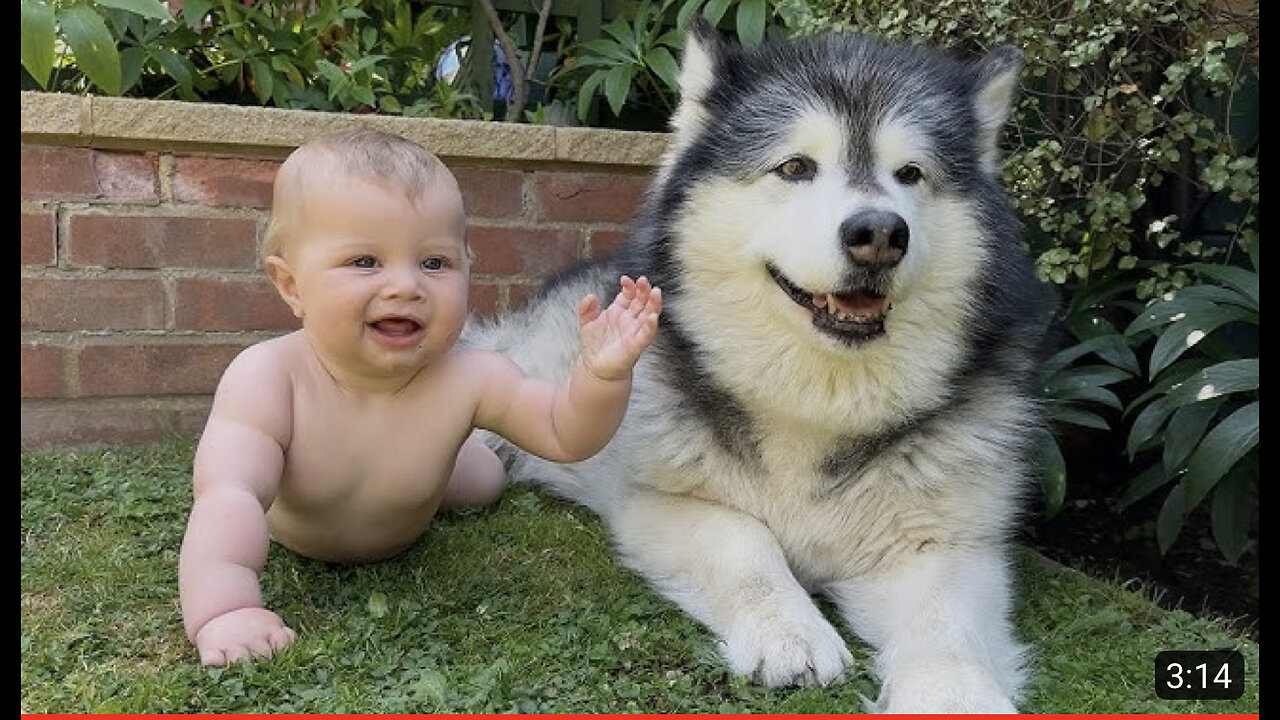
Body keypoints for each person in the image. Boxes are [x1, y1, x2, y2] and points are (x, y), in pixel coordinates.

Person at [178, 127, 662, 667]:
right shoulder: (267, 377)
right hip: (305, 525)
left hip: (419, 494)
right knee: (240, 488)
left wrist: (600, 375)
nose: (406, 286)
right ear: (291, 285)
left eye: (434, 263)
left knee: (486, 480)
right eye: (365, 262)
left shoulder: (470, 376)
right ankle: (451, 466)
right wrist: (225, 609)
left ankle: (454, 467)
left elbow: (561, 432)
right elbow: (230, 496)